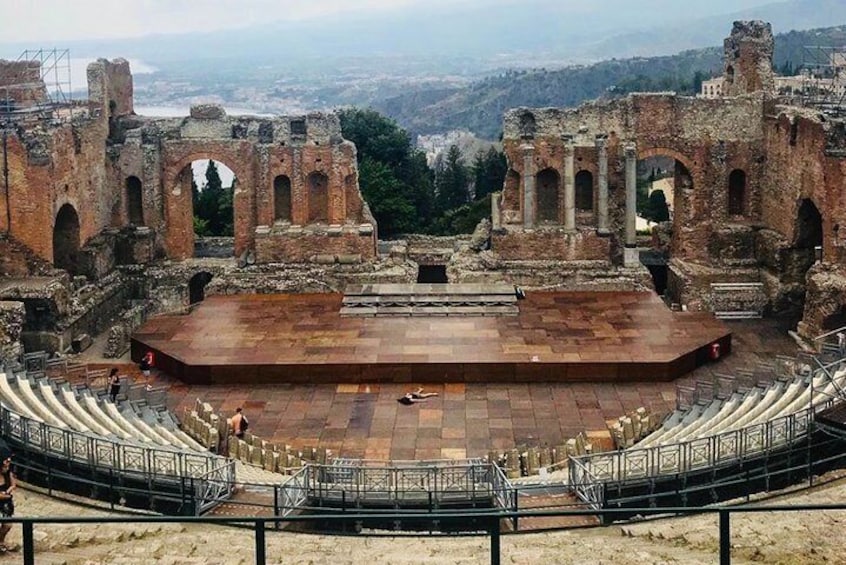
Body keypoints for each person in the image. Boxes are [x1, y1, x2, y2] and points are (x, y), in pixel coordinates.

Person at [0, 454, 16, 553]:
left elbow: (13, 484)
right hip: (3, 498)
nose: (9, 461)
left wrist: (7, 492)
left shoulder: (8, 473)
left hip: (5, 503)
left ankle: (1, 541)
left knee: (7, 525)